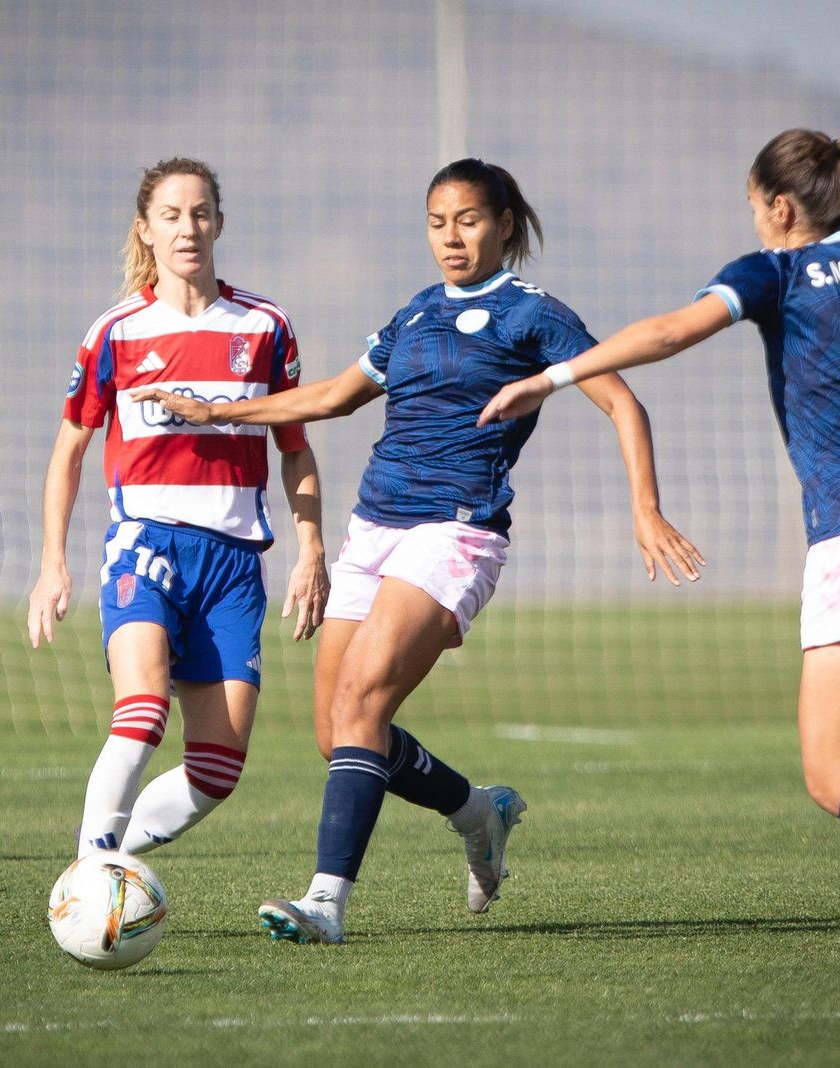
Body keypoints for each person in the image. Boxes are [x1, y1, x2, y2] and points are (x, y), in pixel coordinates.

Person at [479, 127, 840, 973]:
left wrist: (553, 376)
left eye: (756, 208)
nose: (755, 223)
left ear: (782, 207)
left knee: (836, 773)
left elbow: (671, 331)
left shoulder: (780, 271)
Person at [136, 158, 704, 944]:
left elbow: (622, 400)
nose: (452, 238)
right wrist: (215, 411)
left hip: (456, 530)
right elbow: (333, 397)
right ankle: (479, 811)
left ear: (504, 224)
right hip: (375, 527)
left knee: (364, 701)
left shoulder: (531, 315)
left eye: (468, 220)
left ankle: (326, 904)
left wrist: (646, 509)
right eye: (438, 223)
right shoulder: (414, 314)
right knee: (338, 732)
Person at [27, 158, 329, 861]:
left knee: (218, 771)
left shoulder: (264, 326)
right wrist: (52, 566)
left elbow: (295, 450)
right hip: (147, 545)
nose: (187, 227)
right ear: (146, 230)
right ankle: (93, 874)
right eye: (171, 214)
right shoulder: (116, 332)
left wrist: (311, 550)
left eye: (200, 213)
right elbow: (67, 452)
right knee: (140, 715)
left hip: (232, 563)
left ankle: (108, 859)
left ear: (219, 223)